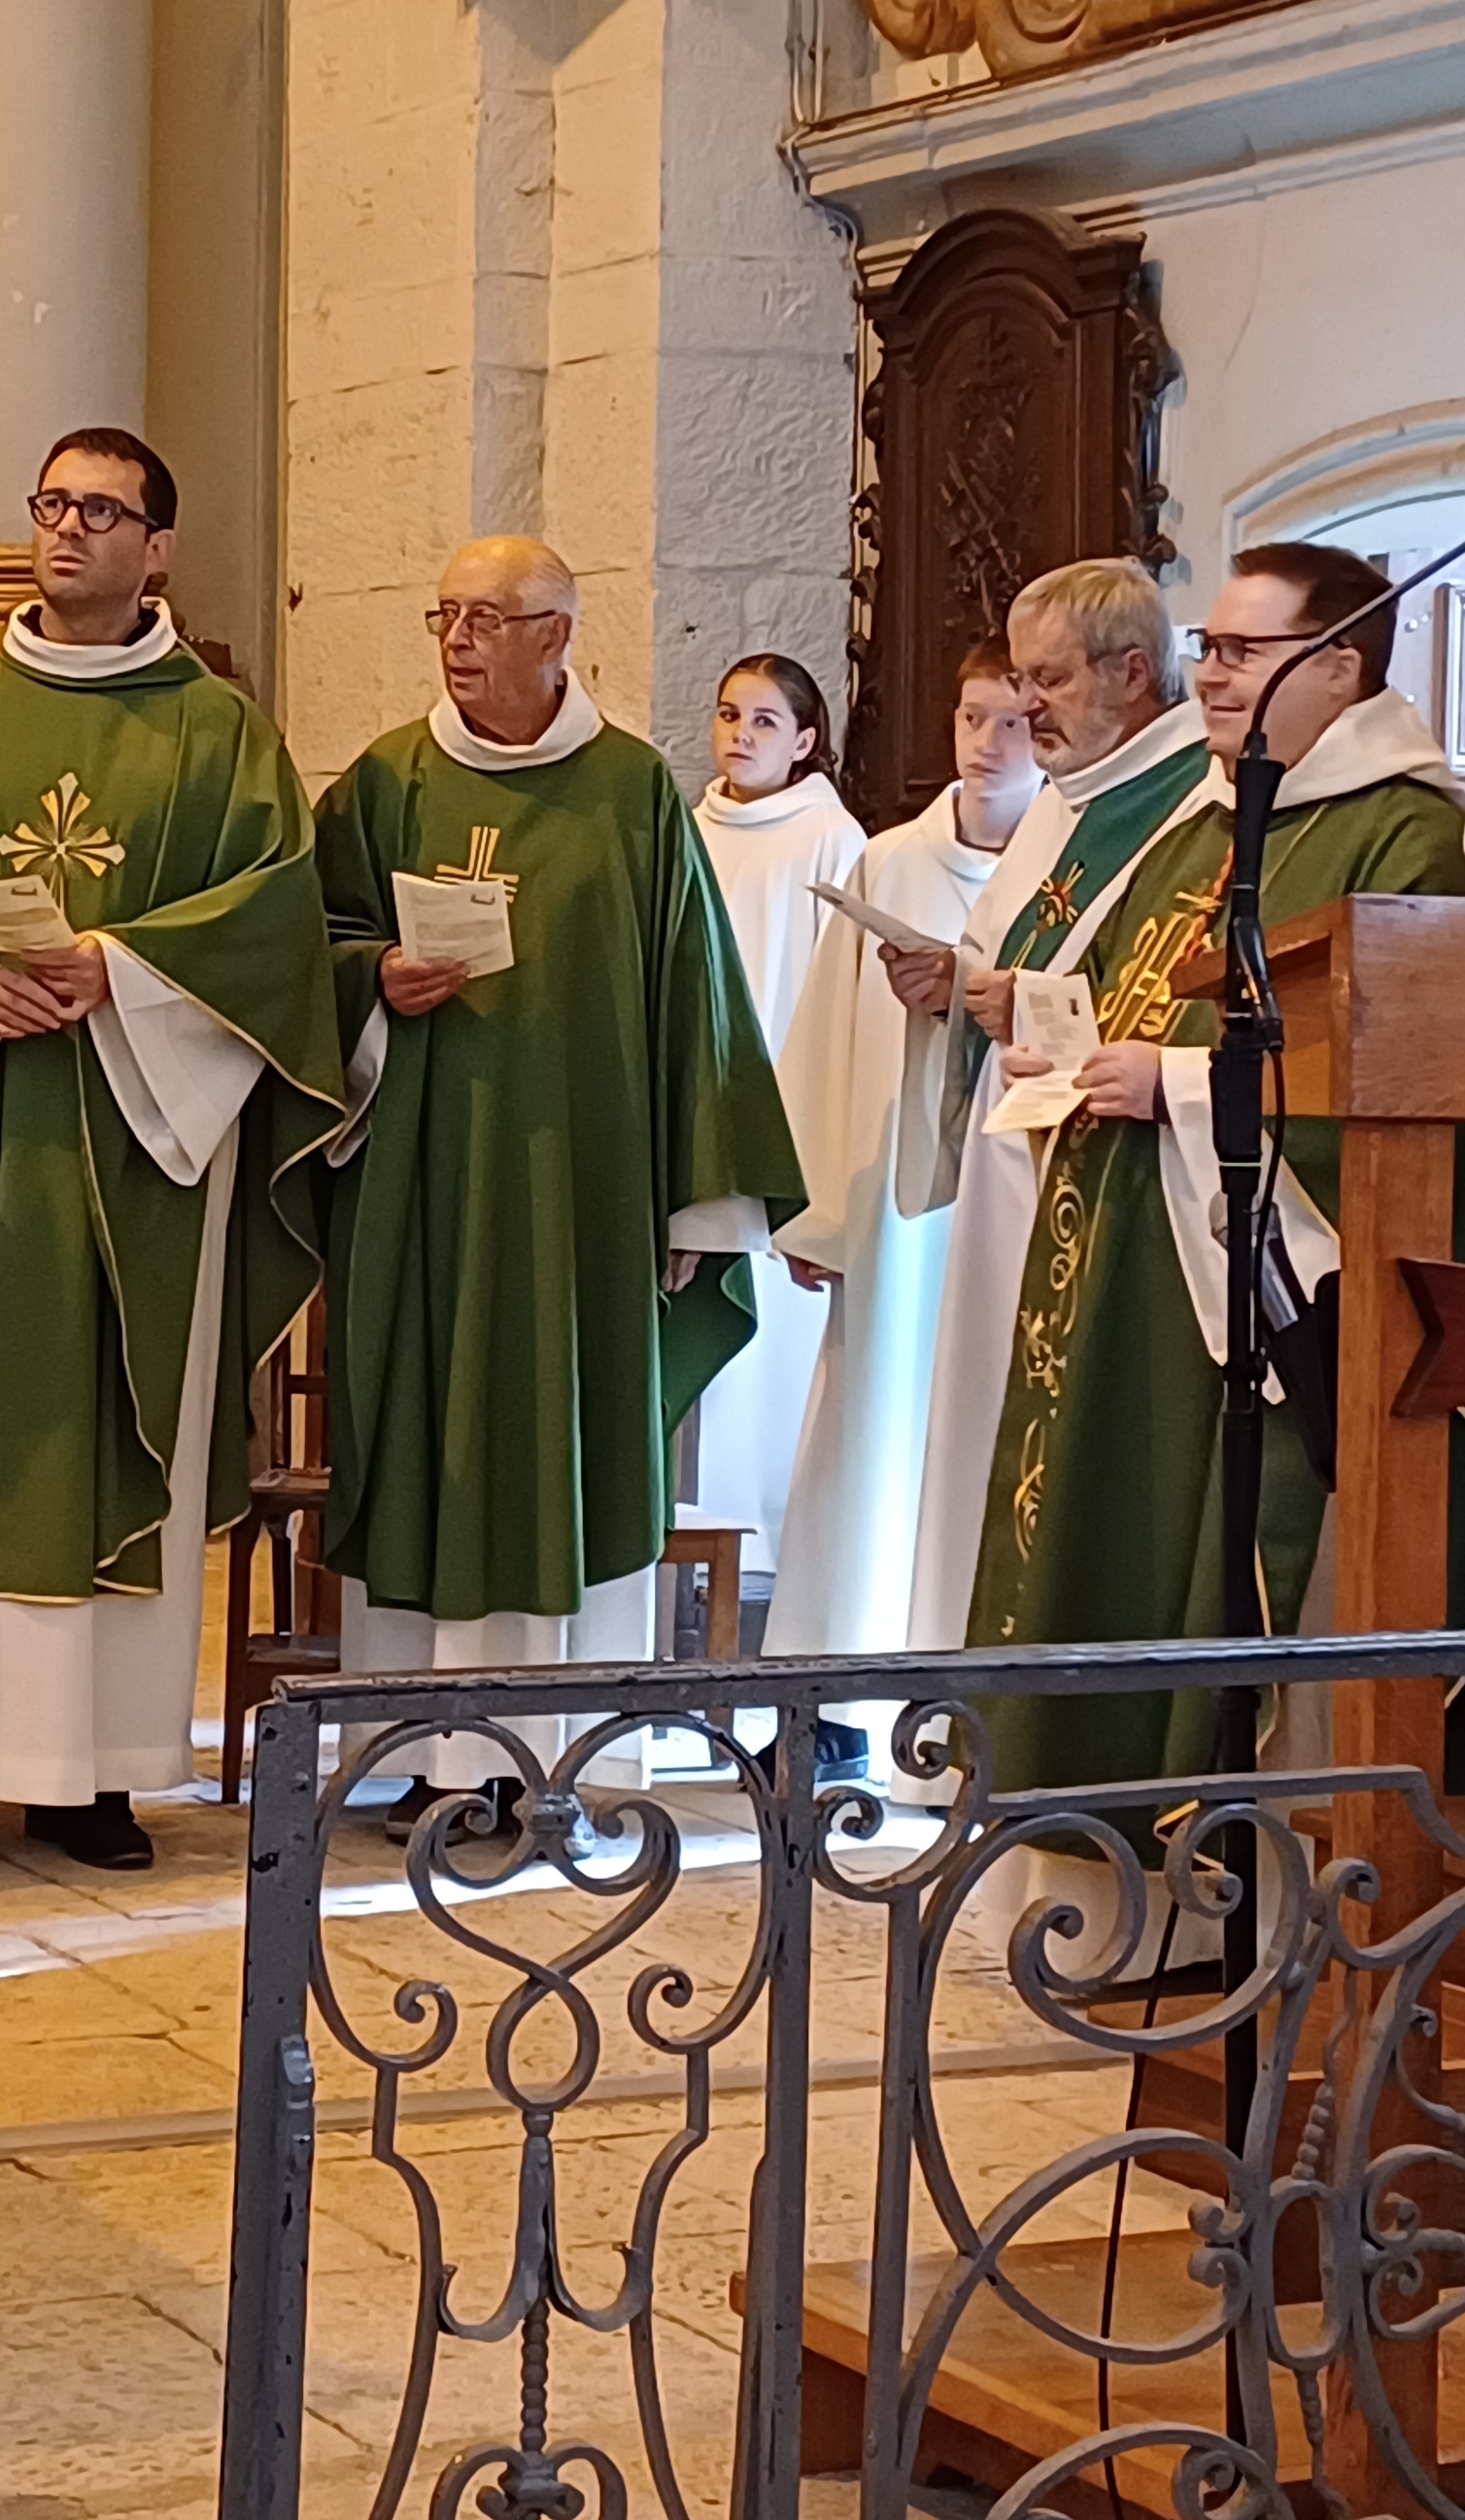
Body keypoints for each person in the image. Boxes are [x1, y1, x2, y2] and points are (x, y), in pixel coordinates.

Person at [0, 431, 341, 1878]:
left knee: (104, 1427)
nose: (69, 530)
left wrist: (122, 969)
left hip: (135, 1142)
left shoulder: (220, 735)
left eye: (104, 512)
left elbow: (279, 927)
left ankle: (86, 1776)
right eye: (51, 504)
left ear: (160, 548)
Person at [962, 544, 1465, 1788]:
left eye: (1240, 653)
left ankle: (1242, 1866)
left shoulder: (1407, 837)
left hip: (1284, 1305)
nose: (1206, 676)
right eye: (1207, 649)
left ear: (1337, 667)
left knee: (1238, 1567)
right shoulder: (1208, 817)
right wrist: (1055, 1040)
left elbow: (1402, 1077)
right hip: (1136, 1265)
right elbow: (1126, 993)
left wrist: (1164, 1082)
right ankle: (1115, 1849)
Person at [317, 539, 806, 1832]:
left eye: (489, 616)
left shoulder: (634, 795)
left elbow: (696, 1002)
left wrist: (700, 1207)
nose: (460, 637)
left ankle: (566, 1753)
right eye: (448, 612)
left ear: (559, 634)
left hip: (582, 1202)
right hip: (421, 1184)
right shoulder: (383, 782)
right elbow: (302, 946)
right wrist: (372, 980)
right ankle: (419, 1753)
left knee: (572, 1437)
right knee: (429, 1433)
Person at [885, 565, 1209, 1662]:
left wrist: (1008, 998)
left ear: (1132, 670)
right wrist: (956, 993)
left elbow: (1149, 992)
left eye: (1050, 680)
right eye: (1019, 681)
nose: (1027, 710)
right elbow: (1014, 959)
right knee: (984, 1424)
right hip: (1015, 1153)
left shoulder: (1189, 800)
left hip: (1096, 1169)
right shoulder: (1071, 798)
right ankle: (965, 1692)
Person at [767, 643, 1048, 1676]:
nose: (986, 744)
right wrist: (815, 1211)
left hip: (1005, 1192)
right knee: (874, 1423)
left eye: (1011, 722)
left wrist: (970, 988)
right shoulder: (888, 861)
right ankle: (847, 1684)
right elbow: (827, 1037)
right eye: (970, 718)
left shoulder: (1064, 868)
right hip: (894, 1208)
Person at [677, 657, 867, 1579]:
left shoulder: (834, 841)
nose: (740, 734)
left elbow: (840, 1000)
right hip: (697, 1117)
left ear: (804, 741)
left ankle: (765, 1575)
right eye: (727, 714)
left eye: (763, 720)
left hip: (784, 1124)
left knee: (772, 1384)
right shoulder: (681, 832)